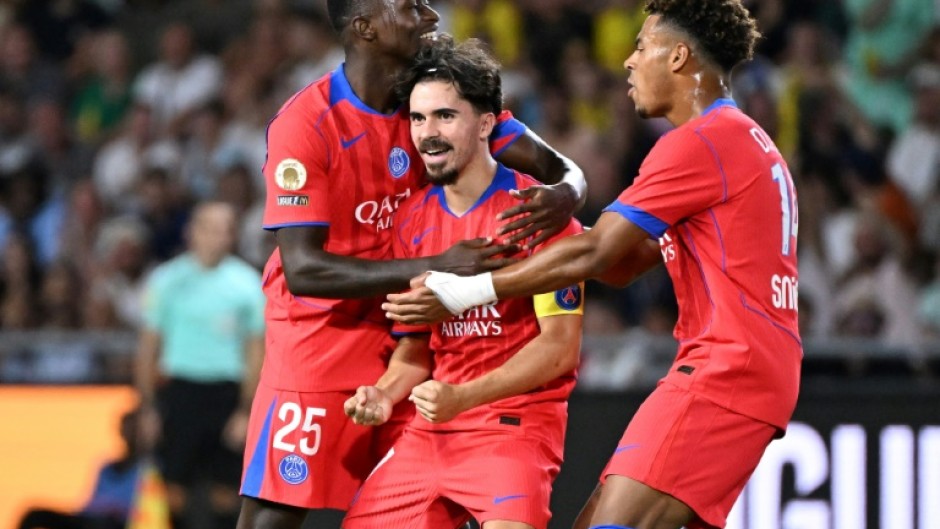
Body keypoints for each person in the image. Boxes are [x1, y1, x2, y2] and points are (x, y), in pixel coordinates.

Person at [384, 2, 802, 529]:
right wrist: (546, 221)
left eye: (642, 46)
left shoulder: (700, 143)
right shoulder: (742, 139)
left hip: (726, 370)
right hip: (748, 369)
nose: (629, 61)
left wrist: (468, 290)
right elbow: (623, 264)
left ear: (677, 57)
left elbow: (595, 254)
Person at [236, 0, 588, 528]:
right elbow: (305, 270)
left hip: (414, 339)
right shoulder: (305, 123)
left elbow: (557, 167)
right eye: (407, 6)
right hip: (323, 338)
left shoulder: (434, 99)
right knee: (276, 515)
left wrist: (567, 194)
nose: (428, 15)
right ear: (365, 28)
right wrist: (439, 266)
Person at [341, 35, 583, 529]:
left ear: (486, 123)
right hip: (433, 429)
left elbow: (560, 349)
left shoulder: (536, 212)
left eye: (445, 116)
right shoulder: (409, 220)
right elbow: (416, 351)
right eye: (417, 118)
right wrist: (385, 395)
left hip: (513, 425)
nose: (428, 133)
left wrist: (464, 397)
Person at [135, 201, 265, 529]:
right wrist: (149, 407)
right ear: (193, 232)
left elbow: (256, 352)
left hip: (226, 394)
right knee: (174, 489)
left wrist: (246, 410)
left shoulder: (247, 283)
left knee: (226, 493)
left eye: (227, 229)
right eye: (212, 228)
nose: (220, 236)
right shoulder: (167, 280)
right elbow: (149, 347)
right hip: (179, 392)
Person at [18, 408, 143, 529]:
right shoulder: (105, 467)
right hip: (89, 519)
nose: (129, 433)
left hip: (116, 522)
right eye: (126, 428)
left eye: (133, 429)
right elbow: (88, 503)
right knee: (34, 516)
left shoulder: (146, 469)